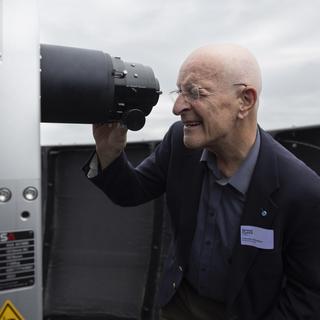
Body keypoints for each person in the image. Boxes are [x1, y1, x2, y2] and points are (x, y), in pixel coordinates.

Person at [84, 44, 320, 320]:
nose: (177, 107)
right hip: (180, 304)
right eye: (179, 91)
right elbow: (131, 192)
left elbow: (308, 296)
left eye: (195, 92)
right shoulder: (179, 143)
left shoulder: (302, 192)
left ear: (245, 100)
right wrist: (109, 153)